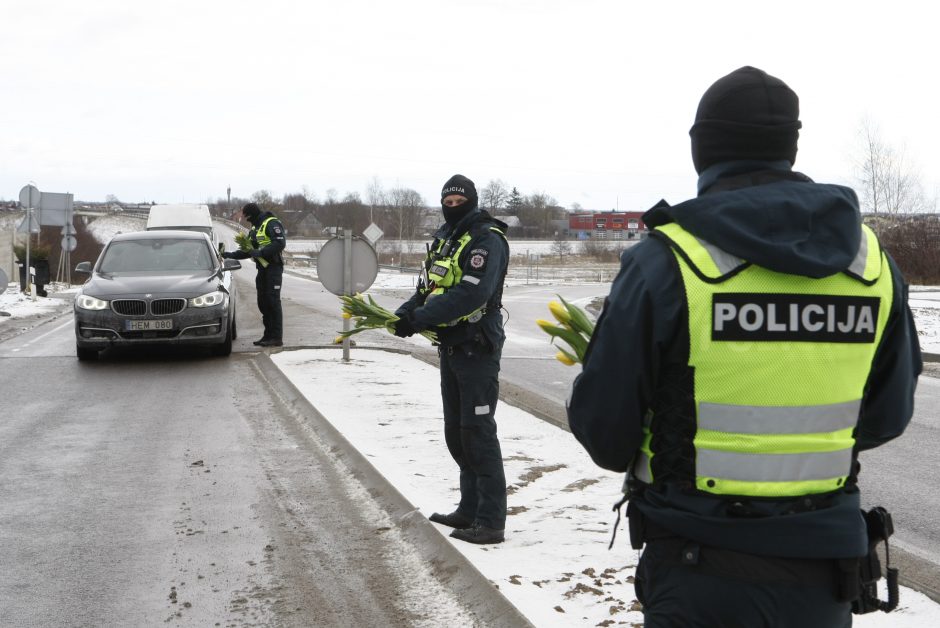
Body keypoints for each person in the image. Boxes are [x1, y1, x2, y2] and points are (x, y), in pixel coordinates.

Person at [567, 66, 922, 627]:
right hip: (822, 573)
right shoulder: (873, 267)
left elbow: (605, 433)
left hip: (696, 567)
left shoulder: (667, 261)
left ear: (700, 149)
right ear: (790, 146)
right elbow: (886, 416)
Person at [394, 174, 510, 545]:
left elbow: (470, 295)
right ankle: (469, 508)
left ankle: (490, 521)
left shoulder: (486, 240)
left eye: (460, 201)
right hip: (451, 346)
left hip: (477, 348)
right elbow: (429, 287)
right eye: (449, 200)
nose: (453, 205)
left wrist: (419, 319)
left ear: (472, 201)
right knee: (457, 433)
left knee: (478, 434)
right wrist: (404, 314)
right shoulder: (447, 239)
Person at [222, 202, 286, 347]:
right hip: (262, 270)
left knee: (272, 301)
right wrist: (229, 255)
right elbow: (247, 251)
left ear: (251, 215)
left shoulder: (271, 223)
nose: (246, 220)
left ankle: (276, 337)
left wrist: (261, 253)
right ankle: (268, 335)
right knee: (263, 302)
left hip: (273, 268)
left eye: (246, 217)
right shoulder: (255, 228)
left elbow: (280, 243)